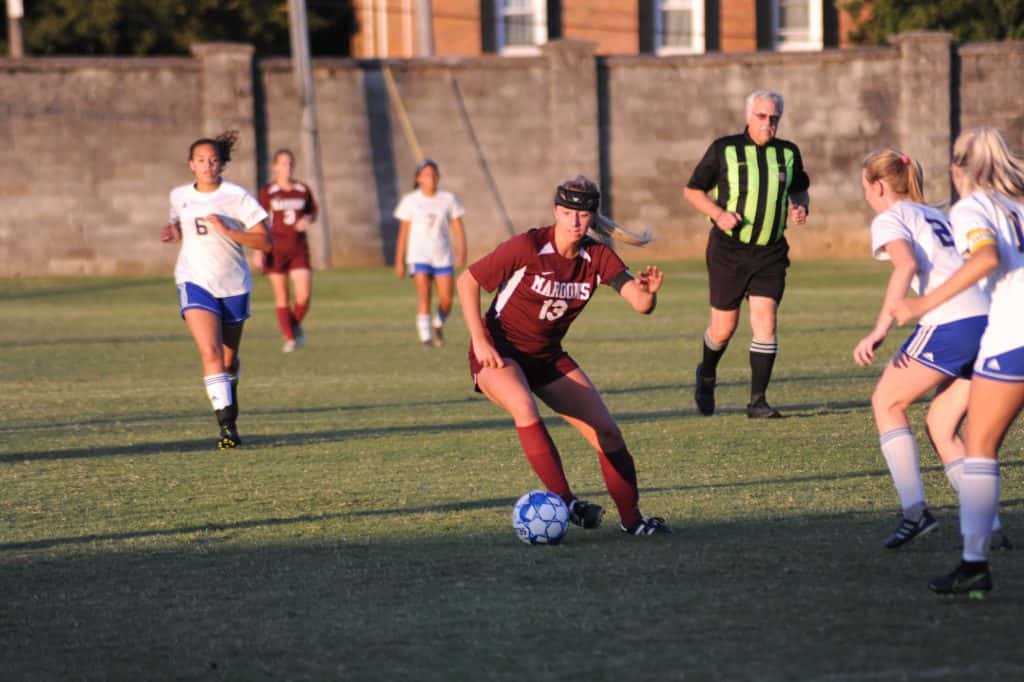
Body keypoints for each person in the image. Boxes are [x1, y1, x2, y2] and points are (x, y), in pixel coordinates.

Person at [457, 175, 670, 536]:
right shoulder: (528, 246)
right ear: (556, 211)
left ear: (592, 217)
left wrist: (648, 293)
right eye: (568, 213)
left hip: (547, 357)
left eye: (583, 215)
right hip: (500, 351)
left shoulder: (596, 256)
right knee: (524, 406)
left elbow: (639, 303)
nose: (575, 221)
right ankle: (567, 502)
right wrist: (479, 340)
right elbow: (468, 281)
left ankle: (633, 521)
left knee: (607, 432)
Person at [852, 148, 1007, 550]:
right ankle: (989, 526)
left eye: (865, 186)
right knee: (941, 424)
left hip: (950, 323)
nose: (865, 194)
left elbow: (904, 265)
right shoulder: (937, 214)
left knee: (887, 402)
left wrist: (879, 329)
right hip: (987, 322)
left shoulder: (891, 217)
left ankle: (915, 513)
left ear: (878, 186)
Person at [893, 127, 1024, 596]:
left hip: (1012, 337)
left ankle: (974, 564)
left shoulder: (972, 207)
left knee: (979, 446)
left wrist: (922, 304)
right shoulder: (1018, 206)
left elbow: (985, 258)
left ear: (958, 167)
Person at [683, 90, 810, 418]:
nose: (768, 124)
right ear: (748, 116)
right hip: (729, 251)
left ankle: (758, 402)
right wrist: (718, 214)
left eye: (774, 118)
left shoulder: (788, 153)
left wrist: (800, 207)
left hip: (771, 252)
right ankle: (706, 373)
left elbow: (799, 188)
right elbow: (693, 191)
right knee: (723, 328)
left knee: (766, 322)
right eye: (761, 116)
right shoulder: (724, 149)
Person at [161, 131, 271, 449]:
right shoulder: (179, 195)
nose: (207, 166)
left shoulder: (237, 197)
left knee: (228, 359)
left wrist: (230, 231)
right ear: (191, 164)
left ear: (222, 164)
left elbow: (265, 242)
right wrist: (174, 231)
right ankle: (227, 428)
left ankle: (229, 395)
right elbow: (179, 223)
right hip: (194, 281)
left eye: (213, 160)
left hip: (233, 284)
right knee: (210, 353)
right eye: (201, 160)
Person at [394, 159, 467, 348]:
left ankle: (437, 323)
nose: (431, 178)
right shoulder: (411, 201)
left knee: (446, 300)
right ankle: (426, 338)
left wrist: (462, 251)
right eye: (426, 174)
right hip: (419, 256)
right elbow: (403, 233)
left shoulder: (448, 199)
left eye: (434, 174)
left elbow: (458, 227)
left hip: (442, 256)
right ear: (418, 178)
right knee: (424, 292)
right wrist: (399, 261)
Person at [257, 149, 319, 353]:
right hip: (275, 249)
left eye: (290, 163)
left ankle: (292, 326)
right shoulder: (268, 192)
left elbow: (312, 211)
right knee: (282, 295)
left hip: (298, 248)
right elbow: (258, 221)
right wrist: (258, 249)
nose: (287, 167)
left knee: (304, 296)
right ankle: (291, 338)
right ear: (275, 167)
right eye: (283, 163)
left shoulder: (302, 189)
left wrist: (307, 218)